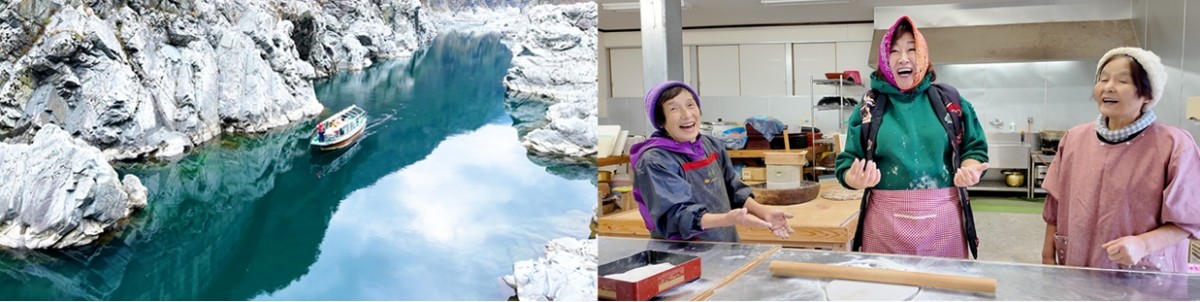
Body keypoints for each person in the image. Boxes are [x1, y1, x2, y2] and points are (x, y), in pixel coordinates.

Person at [834, 16, 990, 259]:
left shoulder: (951, 102)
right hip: (884, 226)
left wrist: (970, 169)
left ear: (924, 55)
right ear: (884, 59)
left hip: (944, 222)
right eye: (894, 51)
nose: (903, 58)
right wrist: (854, 179)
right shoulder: (868, 107)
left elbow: (974, 149)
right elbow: (847, 162)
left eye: (911, 49)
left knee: (943, 283)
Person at [1040, 47, 1200, 273]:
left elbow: (1188, 219)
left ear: (1148, 94)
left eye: (1122, 81)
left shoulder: (1174, 145)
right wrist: (1047, 256)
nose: (1108, 87)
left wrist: (1143, 244)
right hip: (1076, 269)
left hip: (1146, 276)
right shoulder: (1074, 139)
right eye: (1103, 79)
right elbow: (1054, 206)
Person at [630, 81, 794, 242]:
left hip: (724, 245)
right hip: (682, 253)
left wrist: (764, 212)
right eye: (674, 109)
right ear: (661, 121)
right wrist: (728, 219)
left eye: (690, 105)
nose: (686, 115)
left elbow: (733, 189)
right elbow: (677, 216)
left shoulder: (712, 146)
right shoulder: (655, 161)